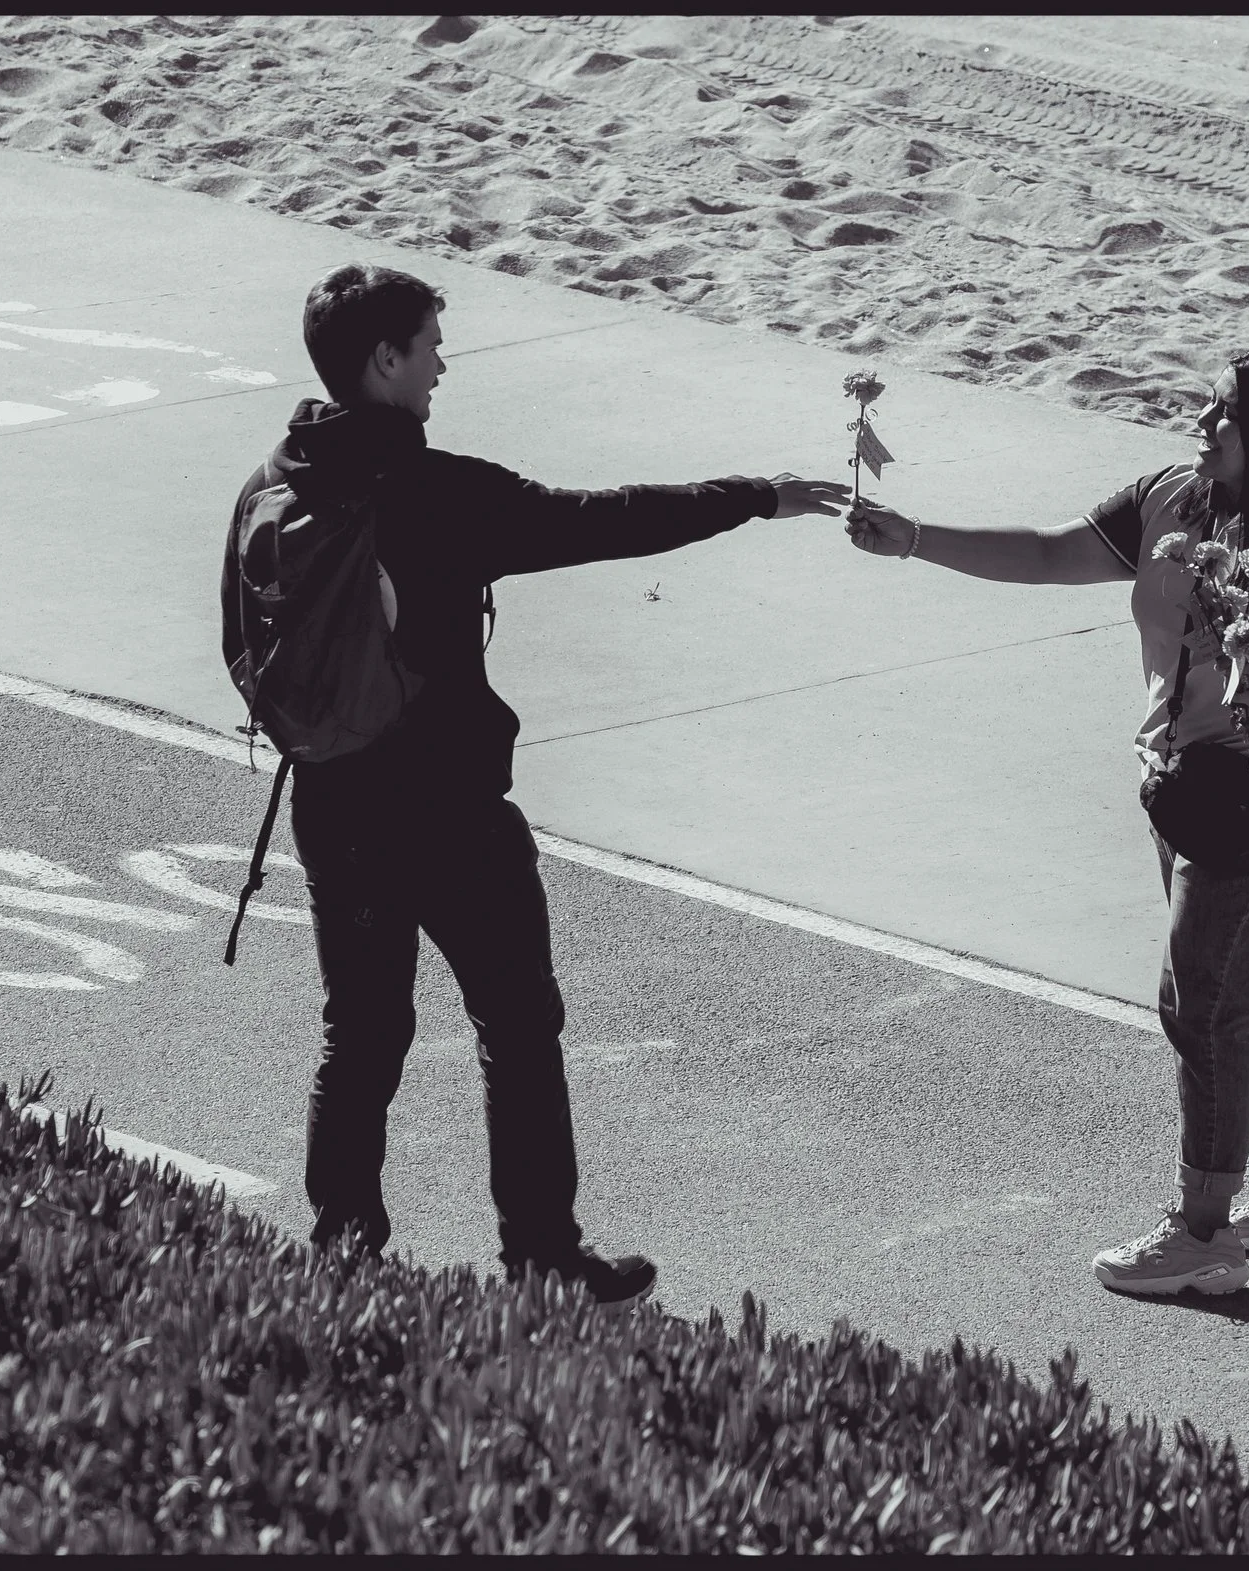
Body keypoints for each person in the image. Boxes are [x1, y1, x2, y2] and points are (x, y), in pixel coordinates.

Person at [227, 263, 850, 1305]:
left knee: (363, 1028)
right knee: (515, 1023)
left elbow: (252, 648)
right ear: (383, 360)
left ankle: (340, 1251)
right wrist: (753, 496)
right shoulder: (433, 492)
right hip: (449, 810)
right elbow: (596, 519)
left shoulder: (274, 482)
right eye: (428, 344)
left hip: (331, 800)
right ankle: (542, 1256)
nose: (441, 364)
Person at [844, 348, 1249, 1297]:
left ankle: (1201, 1232)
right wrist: (914, 538)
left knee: (1205, 1004)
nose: (1202, 419)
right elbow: (1054, 550)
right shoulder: (1172, 501)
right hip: (1186, 786)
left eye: (1224, 412)